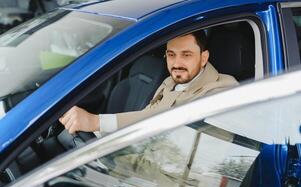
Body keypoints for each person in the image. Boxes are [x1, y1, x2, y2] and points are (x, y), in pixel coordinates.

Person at [59, 30, 239, 137]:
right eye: (171, 54)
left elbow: (163, 120)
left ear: (204, 57)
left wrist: (96, 122)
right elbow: (144, 119)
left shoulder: (223, 89)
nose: (176, 63)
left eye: (186, 54)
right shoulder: (169, 83)